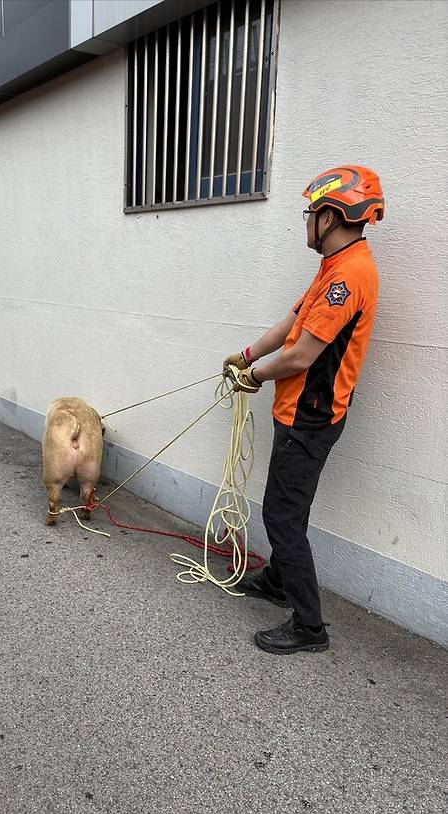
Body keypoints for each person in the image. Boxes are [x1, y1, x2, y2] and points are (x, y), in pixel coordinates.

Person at [224, 165, 384, 655]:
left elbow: (301, 355)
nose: (306, 222)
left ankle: (309, 627)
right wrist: (248, 355)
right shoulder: (333, 267)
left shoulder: (350, 276)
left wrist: (255, 375)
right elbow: (290, 324)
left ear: (333, 215)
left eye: (311, 213)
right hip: (295, 411)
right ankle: (277, 581)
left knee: (282, 516)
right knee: (286, 506)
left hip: (311, 417)